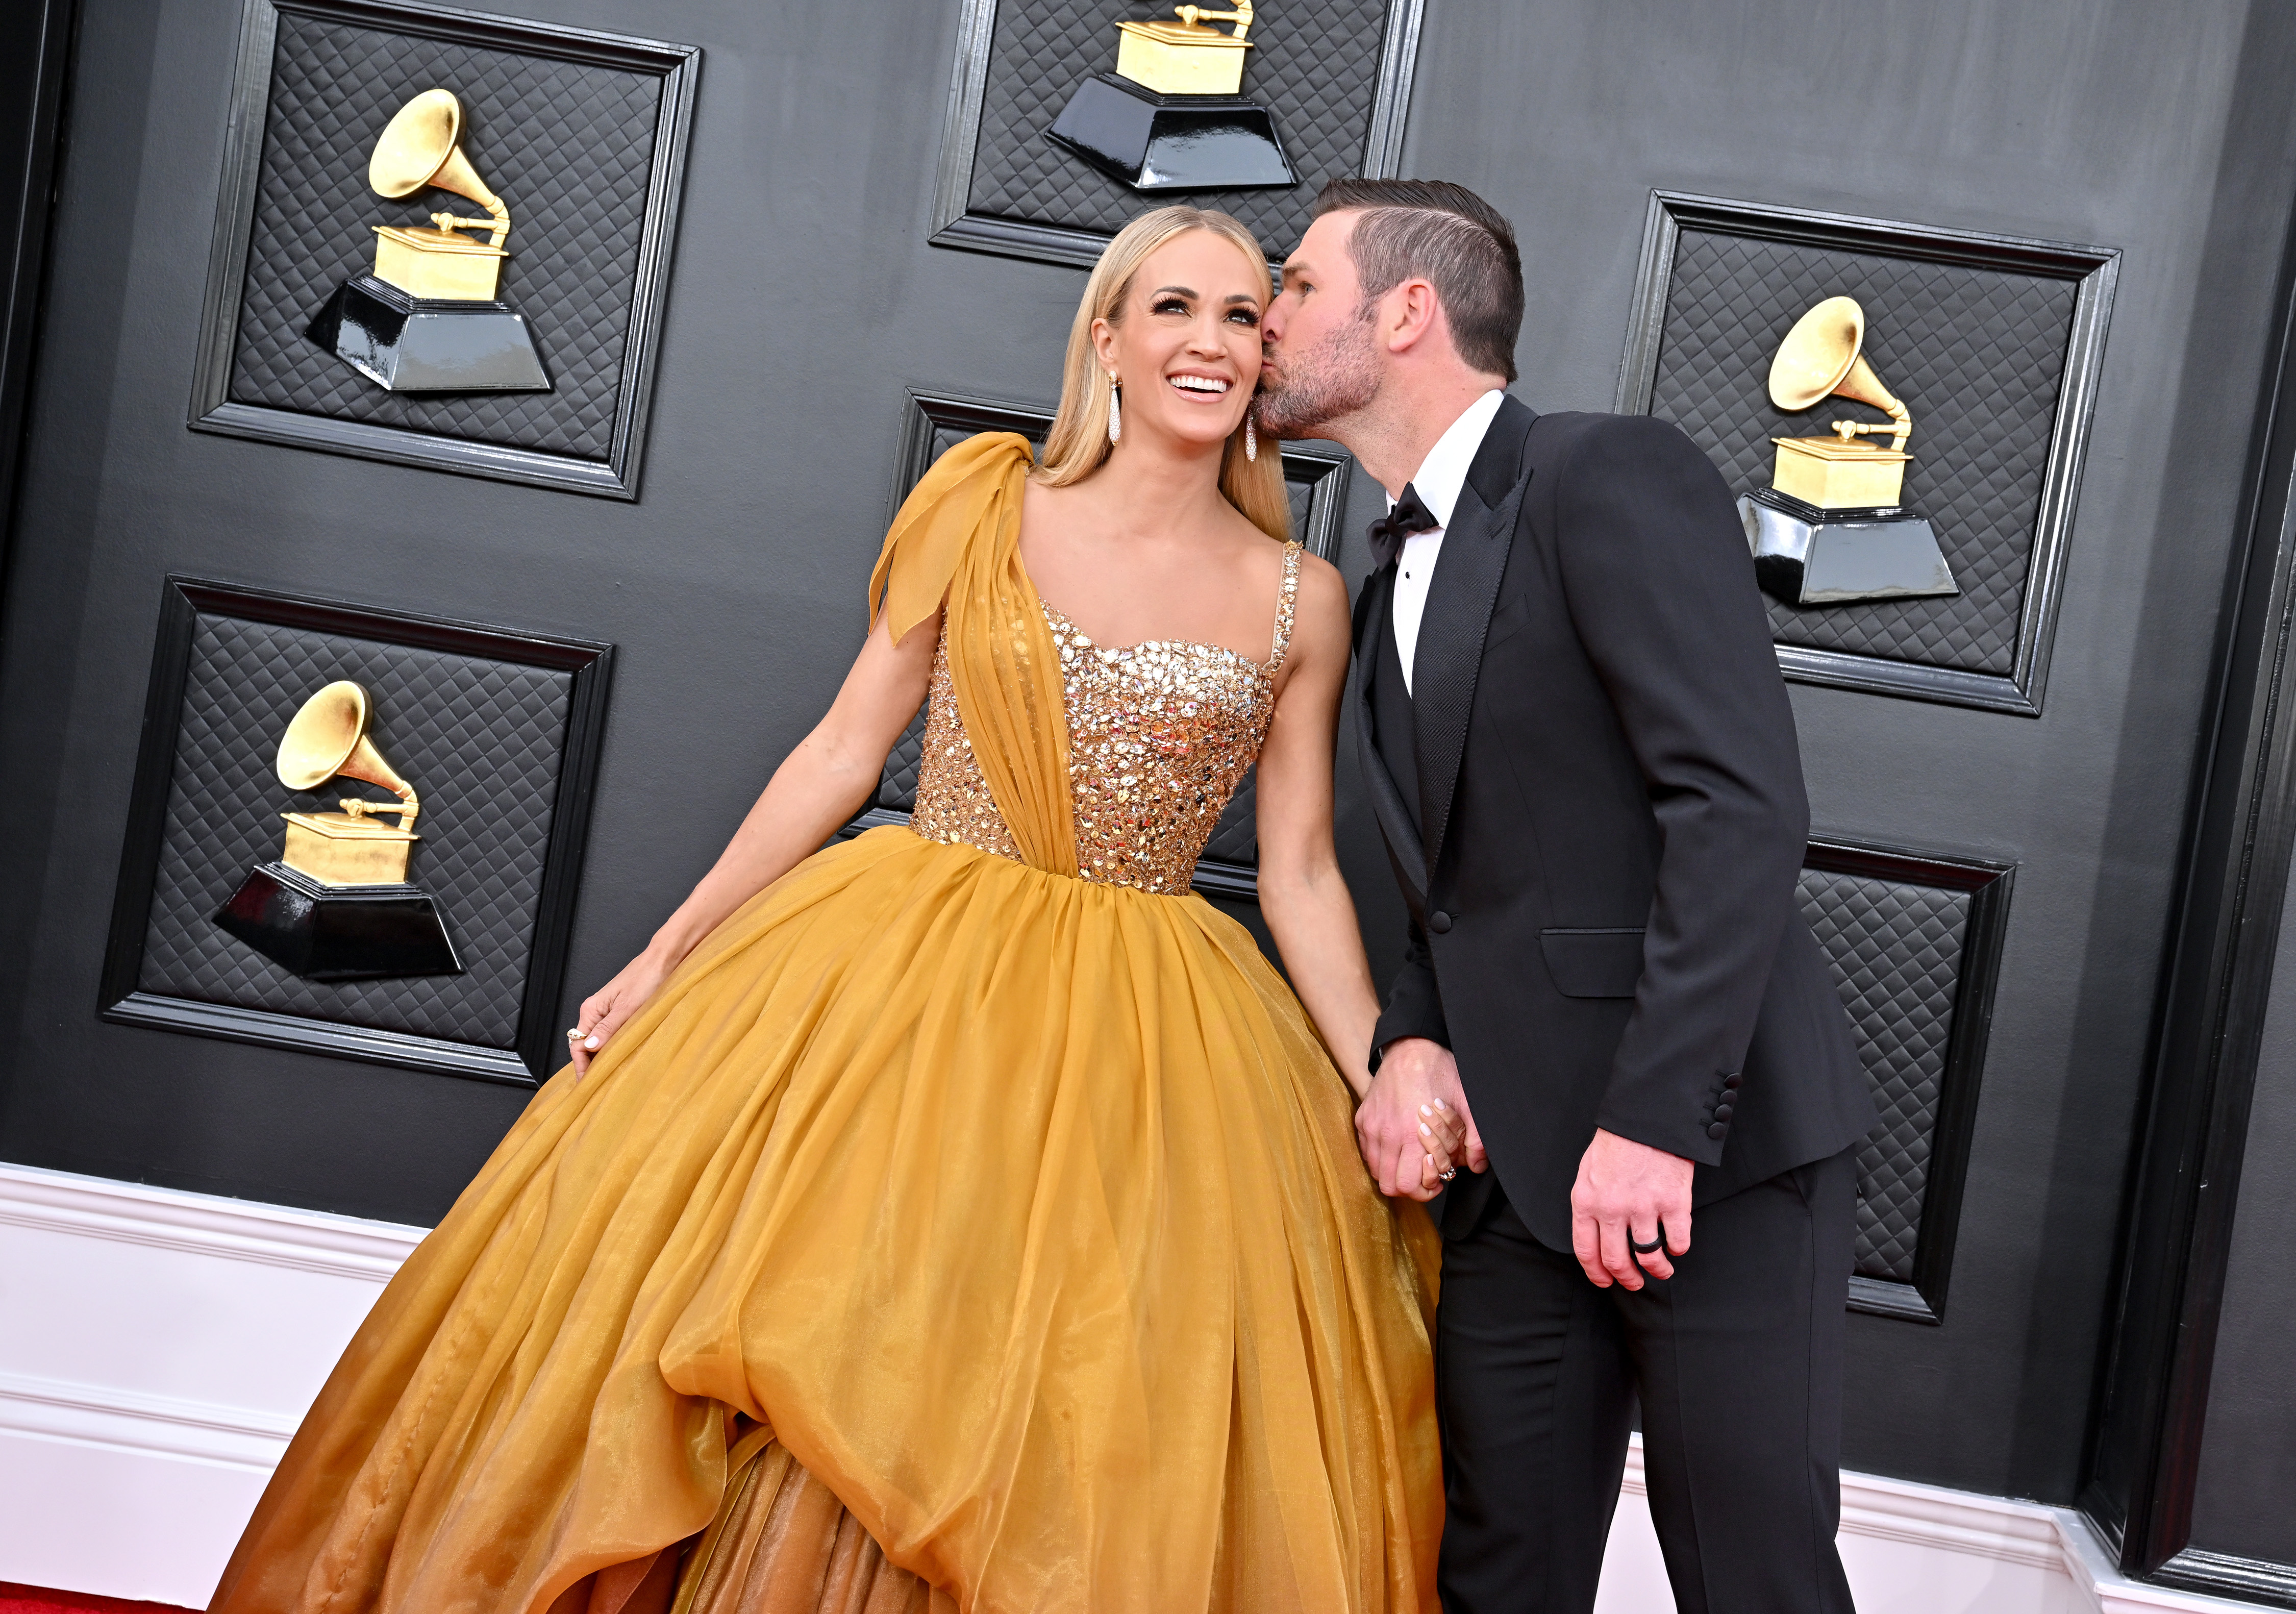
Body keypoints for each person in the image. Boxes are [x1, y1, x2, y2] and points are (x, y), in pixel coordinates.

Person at [208, 206, 1461, 1614]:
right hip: (900, 982)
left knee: (1070, 1387)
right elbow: (840, 750)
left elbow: (1297, 869)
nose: (1209, 343)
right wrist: (671, 950)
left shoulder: (1304, 598)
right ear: (1104, 339)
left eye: (1242, 316)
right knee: (815, 1325)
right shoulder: (984, 504)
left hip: (1146, 1033)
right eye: (1172, 308)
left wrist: (1377, 1076)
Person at [1257, 178, 1877, 1614]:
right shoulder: (1378, 560)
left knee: (1753, 1579)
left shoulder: (1608, 473)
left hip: (1708, 1156)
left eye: (1294, 286)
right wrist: (1408, 1032)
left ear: (1405, 310)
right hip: (1511, 1185)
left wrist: (1655, 1127)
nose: (1265, 318)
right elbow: (1464, 876)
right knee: (1497, 1577)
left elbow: (1736, 805)